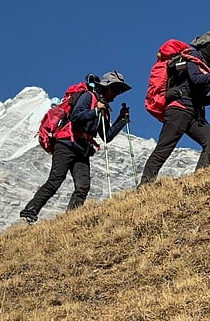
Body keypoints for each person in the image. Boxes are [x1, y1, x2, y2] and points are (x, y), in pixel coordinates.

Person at [19, 71, 131, 224]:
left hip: (82, 149)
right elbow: (76, 117)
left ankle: (70, 219)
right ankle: (29, 211)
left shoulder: (103, 110)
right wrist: (95, 110)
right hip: (66, 144)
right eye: (116, 89)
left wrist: (121, 119)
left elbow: (106, 136)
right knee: (56, 179)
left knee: (83, 186)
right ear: (107, 87)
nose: (117, 94)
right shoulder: (89, 97)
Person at [140, 30, 210, 184]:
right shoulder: (193, 57)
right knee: (164, 148)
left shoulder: (206, 66)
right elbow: (197, 79)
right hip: (178, 110)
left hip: (194, 113)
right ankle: (144, 185)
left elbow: (201, 100)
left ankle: (199, 180)